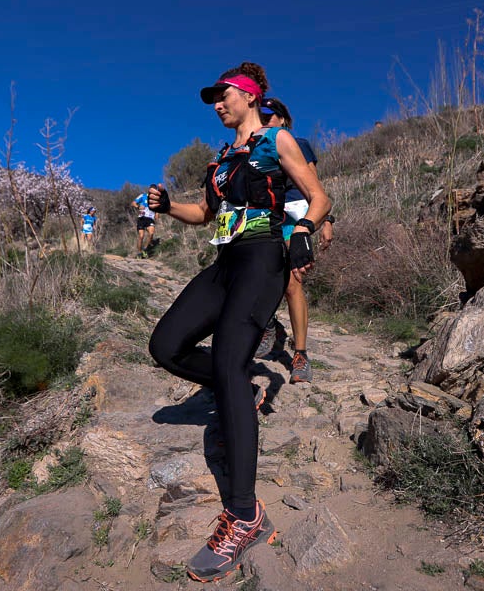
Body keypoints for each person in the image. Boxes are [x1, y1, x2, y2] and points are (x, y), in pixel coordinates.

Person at [146, 62, 330, 582]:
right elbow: (205, 215)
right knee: (166, 346)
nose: (217, 105)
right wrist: (169, 208)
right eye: (214, 99)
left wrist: (304, 231)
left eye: (223, 95)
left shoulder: (277, 140)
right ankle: (241, 391)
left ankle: (246, 515)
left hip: (264, 259)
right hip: (225, 262)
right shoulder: (221, 162)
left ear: (250, 96)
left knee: (229, 363)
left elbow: (320, 197)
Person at [254, 98, 334, 384]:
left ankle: (300, 354)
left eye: (268, 116)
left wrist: (325, 221)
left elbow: (315, 187)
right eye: (260, 116)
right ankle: (270, 325)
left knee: (292, 284)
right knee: (259, 277)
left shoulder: (297, 143)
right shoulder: (255, 148)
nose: (264, 121)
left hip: (295, 217)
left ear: (283, 119)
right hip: (265, 218)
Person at [132, 188, 156, 258]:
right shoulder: (143, 196)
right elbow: (133, 203)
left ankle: (145, 249)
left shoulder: (156, 200)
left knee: (151, 233)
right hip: (142, 218)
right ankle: (139, 252)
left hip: (150, 219)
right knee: (141, 236)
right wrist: (138, 206)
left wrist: (157, 214)